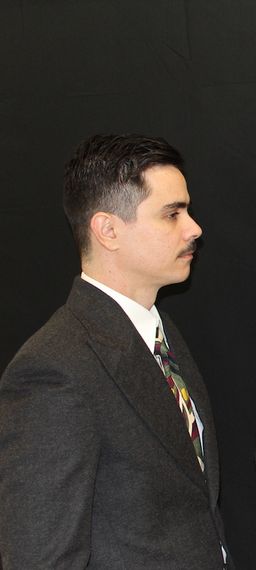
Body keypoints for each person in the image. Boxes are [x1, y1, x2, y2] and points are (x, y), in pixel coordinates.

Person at [0, 134, 231, 568]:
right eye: (172, 214)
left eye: (188, 210)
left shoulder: (161, 336)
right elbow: (39, 558)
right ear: (107, 230)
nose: (194, 227)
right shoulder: (54, 370)